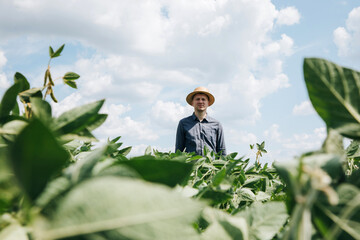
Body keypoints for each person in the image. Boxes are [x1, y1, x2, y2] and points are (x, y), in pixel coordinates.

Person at [175, 86, 226, 156]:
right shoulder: (183, 123)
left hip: (211, 166)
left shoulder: (216, 124)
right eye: (197, 99)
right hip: (191, 166)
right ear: (192, 103)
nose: (200, 101)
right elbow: (179, 150)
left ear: (208, 103)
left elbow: (221, 150)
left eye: (203, 99)